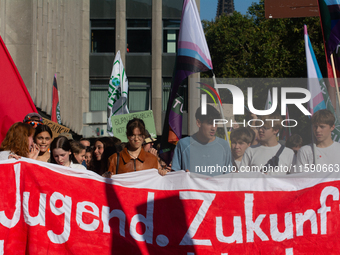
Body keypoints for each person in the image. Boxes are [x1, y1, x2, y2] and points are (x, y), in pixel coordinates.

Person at [171, 105, 233, 176]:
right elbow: (174, 176)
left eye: (215, 123)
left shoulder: (224, 146)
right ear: (198, 123)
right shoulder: (183, 144)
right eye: (209, 123)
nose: (213, 128)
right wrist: (183, 176)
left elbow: (228, 177)